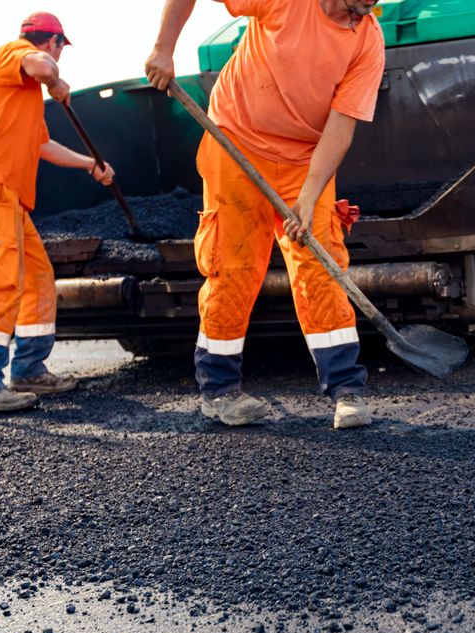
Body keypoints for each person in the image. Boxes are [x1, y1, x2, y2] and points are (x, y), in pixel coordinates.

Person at [145, 0, 385, 430]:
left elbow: (342, 123)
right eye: (357, 6)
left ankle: (346, 391)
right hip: (236, 142)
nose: (362, 16)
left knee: (322, 263)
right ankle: (219, 392)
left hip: (304, 161)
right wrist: (164, 48)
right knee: (232, 267)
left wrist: (310, 196)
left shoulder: (367, 39)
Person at [0, 12, 115, 412]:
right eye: (61, 46)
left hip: (10, 193)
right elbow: (41, 65)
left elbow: (43, 147)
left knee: (38, 275)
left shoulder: (24, 98)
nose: (60, 54)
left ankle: (28, 369)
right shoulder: (15, 53)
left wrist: (89, 164)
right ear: (55, 41)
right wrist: (56, 79)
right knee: (1, 276)